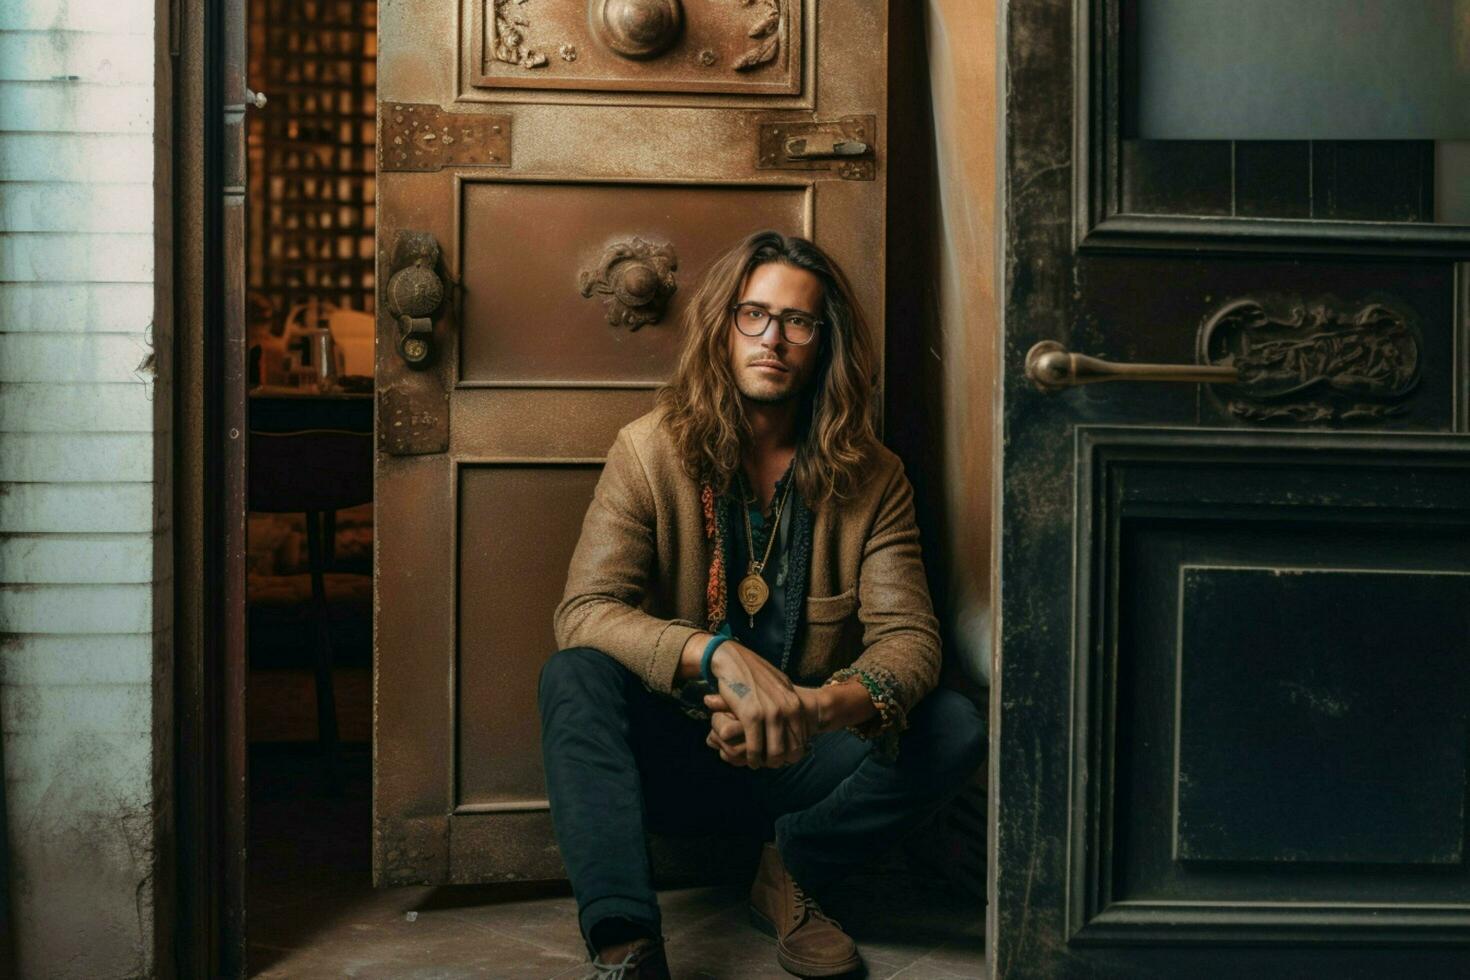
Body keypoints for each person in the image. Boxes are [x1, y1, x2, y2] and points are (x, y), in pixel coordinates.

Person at [539, 230, 985, 979]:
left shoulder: (874, 478)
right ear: (723, 325)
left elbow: (908, 641)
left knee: (954, 723)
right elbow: (584, 610)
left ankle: (794, 863)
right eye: (754, 314)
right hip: (684, 756)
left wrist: (808, 709)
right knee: (572, 676)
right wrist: (716, 655)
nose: (773, 339)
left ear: (823, 343)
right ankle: (625, 944)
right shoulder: (648, 451)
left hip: (808, 766)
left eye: (798, 322)